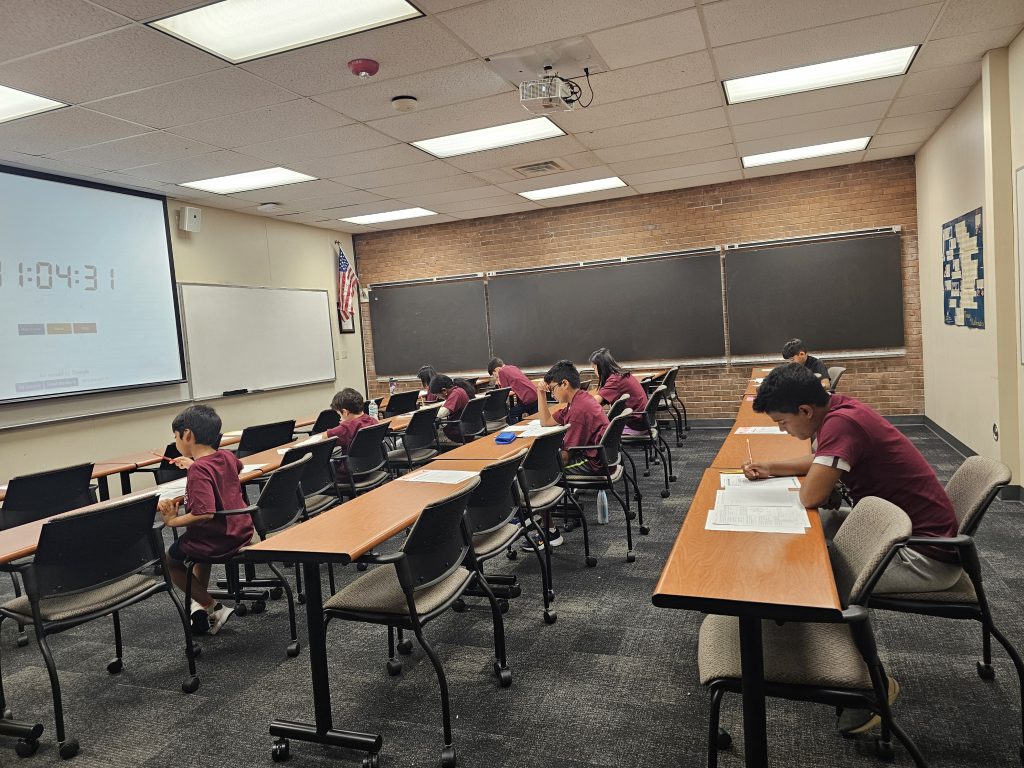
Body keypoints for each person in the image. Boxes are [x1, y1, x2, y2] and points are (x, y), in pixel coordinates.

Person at [742, 363, 960, 734]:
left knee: (823, 578)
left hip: (925, 554)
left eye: (783, 422)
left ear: (806, 411)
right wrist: (771, 466)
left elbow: (813, 494)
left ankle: (869, 688)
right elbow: (821, 461)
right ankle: (795, 622)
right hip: (897, 530)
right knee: (812, 544)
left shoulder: (843, 424)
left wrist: (798, 478)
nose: (783, 430)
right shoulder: (839, 409)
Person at [158, 405, 254, 636]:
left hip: (217, 538)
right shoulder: (227, 456)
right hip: (240, 530)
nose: (176, 442)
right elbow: (235, 468)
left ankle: (213, 607)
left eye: (176, 437)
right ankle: (199, 604)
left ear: (187, 434)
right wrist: (197, 465)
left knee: (170, 561)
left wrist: (172, 521)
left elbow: (204, 513)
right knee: (198, 549)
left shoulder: (199, 470)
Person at [533, 360, 611, 549]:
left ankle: (550, 532)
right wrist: (540, 393)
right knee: (542, 466)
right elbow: (546, 422)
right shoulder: (578, 400)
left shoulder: (578, 410)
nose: (552, 394)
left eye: (552, 389)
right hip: (598, 457)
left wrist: (538, 462)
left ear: (564, 384)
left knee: (539, 475)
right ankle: (543, 518)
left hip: (593, 464)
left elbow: (566, 458)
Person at [589, 347, 648, 434]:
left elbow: (593, 403)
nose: (594, 372)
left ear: (601, 367)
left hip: (635, 425)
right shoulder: (620, 375)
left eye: (594, 368)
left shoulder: (615, 381)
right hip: (642, 420)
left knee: (596, 431)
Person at [326, 388, 378, 454]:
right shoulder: (373, 420)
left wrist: (344, 424)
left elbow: (324, 437)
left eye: (339, 414)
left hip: (351, 463)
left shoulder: (346, 428)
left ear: (345, 412)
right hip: (377, 462)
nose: (340, 417)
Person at [487, 357, 538, 423]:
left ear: (497, 369)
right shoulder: (513, 367)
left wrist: (498, 380)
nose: (495, 377)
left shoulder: (502, 371)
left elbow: (503, 392)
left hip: (527, 399)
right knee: (534, 420)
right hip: (535, 396)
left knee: (510, 416)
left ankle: (517, 429)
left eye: (494, 375)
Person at [429, 374, 473, 444]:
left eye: (437, 395)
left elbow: (441, 414)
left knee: (430, 439)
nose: (438, 398)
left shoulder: (455, 394)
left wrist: (427, 410)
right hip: (467, 430)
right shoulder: (459, 390)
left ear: (444, 390)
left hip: (457, 434)